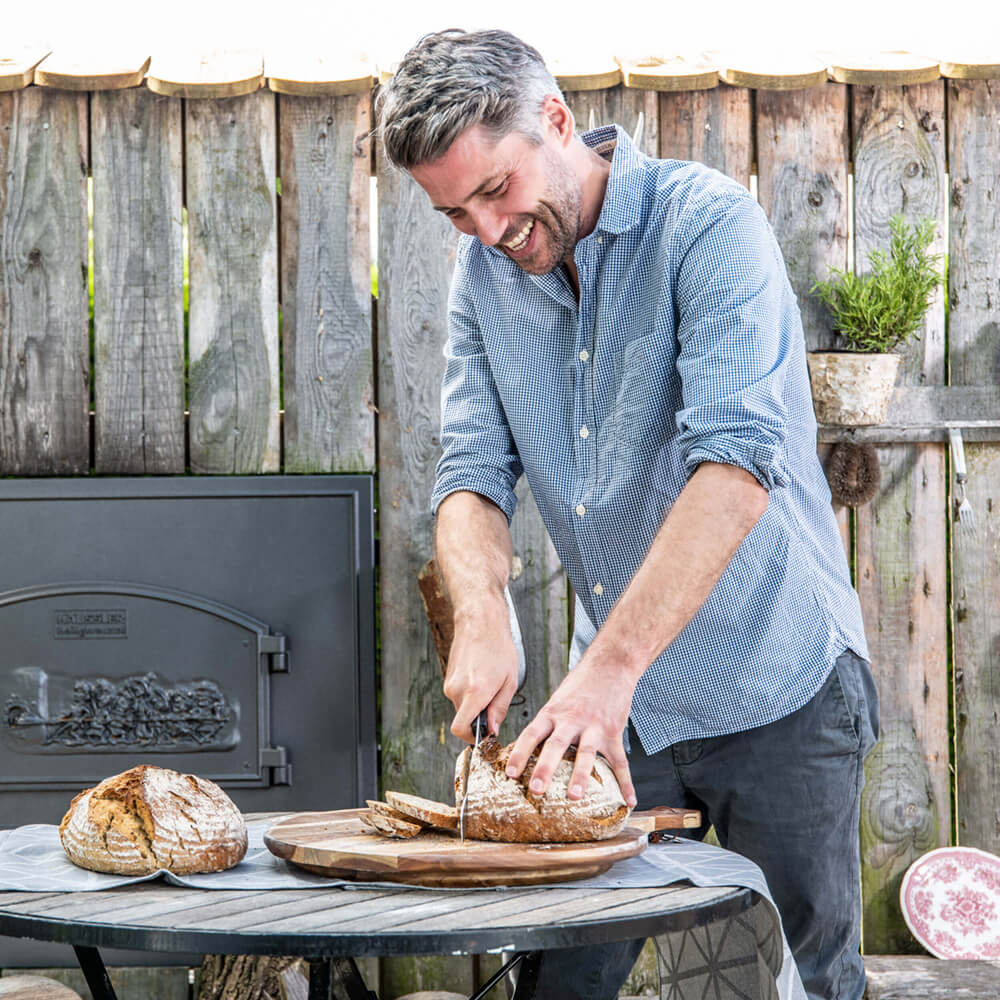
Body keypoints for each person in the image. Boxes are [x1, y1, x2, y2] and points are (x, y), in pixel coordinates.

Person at [377, 28, 878, 1000]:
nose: (486, 231)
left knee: (788, 985)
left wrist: (605, 669)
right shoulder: (485, 276)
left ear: (556, 122)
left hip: (778, 688)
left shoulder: (707, 227)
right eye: (454, 212)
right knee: (561, 979)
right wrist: (482, 608)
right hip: (614, 717)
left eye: (497, 191)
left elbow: (734, 466)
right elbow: (471, 473)